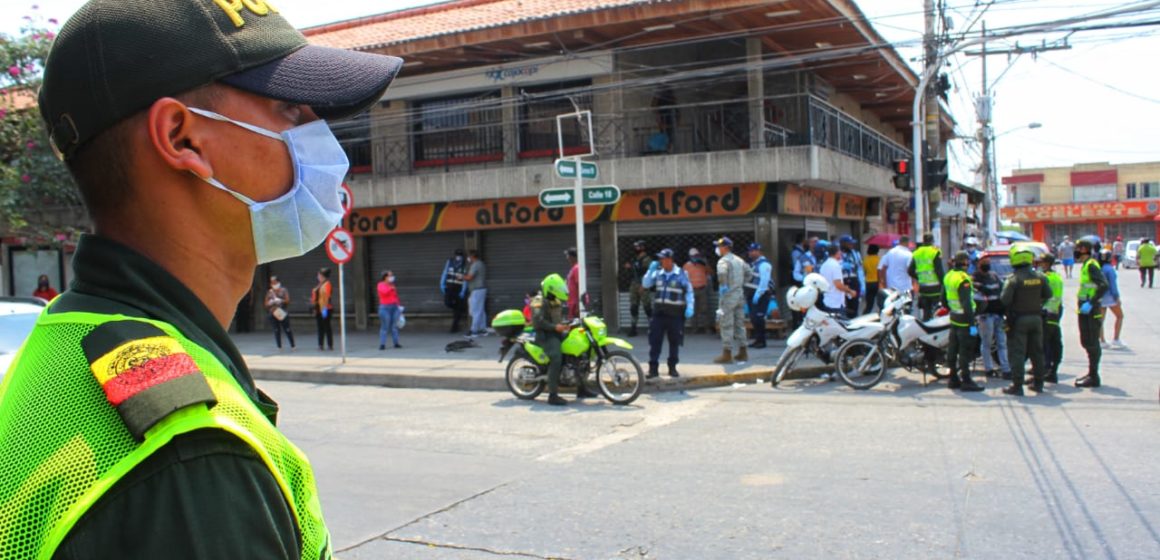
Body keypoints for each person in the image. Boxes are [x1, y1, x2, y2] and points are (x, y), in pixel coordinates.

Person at [0, 1, 402, 555]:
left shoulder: (66, 338)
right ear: (182, 138)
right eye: (290, 109)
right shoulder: (192, 457)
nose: (323, 139)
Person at [531, 273, 594, 405]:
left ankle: (581, 389)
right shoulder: (538, 301)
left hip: (556, 332)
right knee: (556, 357)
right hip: (545, 335)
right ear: (551, 289)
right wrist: (555, 327)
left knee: (579, 353)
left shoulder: (555, 300)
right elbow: (538, 322)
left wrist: (570, 323)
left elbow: (558, 319)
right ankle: (552, 395)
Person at [1000, 246, 1052, 396]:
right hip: (1036, 319)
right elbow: (1048, 294)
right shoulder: (1040, 277)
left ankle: (1017, 386)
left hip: (1018, 320)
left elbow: (1004, 300)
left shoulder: (1013, 280)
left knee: (1018, 352)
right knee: (1037, 351)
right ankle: (1038, 383)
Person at [642, 249, 694, 378]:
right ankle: (653, 369)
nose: (661, 261)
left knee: (674, 342)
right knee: (654, 341)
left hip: (675, 315)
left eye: (663, 259)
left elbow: (689, 292)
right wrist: (650, 270)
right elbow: (646, 284)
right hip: (659, 314)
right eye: (660, 259)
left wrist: (690, 307)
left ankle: (672, 367)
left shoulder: (682, 274)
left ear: (670, 260)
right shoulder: (658, 273)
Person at [943, 252, 984, 392]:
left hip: (954, 318)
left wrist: (953, 310)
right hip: (965, 321)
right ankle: (966, 380)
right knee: (964, 351)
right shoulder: (963, 279)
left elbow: (943, 299)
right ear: (966, 262)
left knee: (953, 350)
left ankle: (953, 378)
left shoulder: (949, 276)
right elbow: (967, 303)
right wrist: (972, 324)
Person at [1074, 236, 1109, 388]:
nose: (1075, 252)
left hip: (1091, 309)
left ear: (1084, 249)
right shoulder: (1086, 264)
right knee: (1086, 341)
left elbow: (1103, 285)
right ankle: (1091, 373)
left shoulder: (1091, 265)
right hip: (1085, 309)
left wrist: (1091, 302)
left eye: (1078, 248)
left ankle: (1094, 376)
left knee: (1092, 342)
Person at [712, 237, 750, 364]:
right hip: (739, 295)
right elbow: (749, 273)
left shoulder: (723, 261)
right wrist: (739, 284)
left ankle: (727, 353)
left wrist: (723, 285)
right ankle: (743, 352)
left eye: (719, 246)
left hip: (728, 297)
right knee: (740, 324)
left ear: (725, 247)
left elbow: (722, 274)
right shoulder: (740, 260)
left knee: (726, 324)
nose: (717, 249)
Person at [972, 257, 1010, 380]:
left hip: (998, 314)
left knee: (1002, 343)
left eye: (988, 263)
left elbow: (1002, 289)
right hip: (985, 316)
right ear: (978, 264)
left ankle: (1005, 369)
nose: (986, 264)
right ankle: (988, 369)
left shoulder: (994, 276)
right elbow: (983, 292)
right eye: (984, 262)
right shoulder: (975, 278)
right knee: (986, 343)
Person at [1038, 255, 1064, 383]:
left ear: (1046, 263)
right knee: (1055, 343)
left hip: (1045, 312)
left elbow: (1042, 296)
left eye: (1041, 262)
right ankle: (1052, 372)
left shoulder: (1045, 277)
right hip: (1056, 311)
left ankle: (1043, 372)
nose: (1039, 264)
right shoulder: (1056, 276)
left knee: (1043, 345)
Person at [744, 242, 775, 348]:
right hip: (752, 293)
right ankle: (758, 339)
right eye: (750, 251)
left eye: (753, 251)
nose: (750, 253)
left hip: (761, 294)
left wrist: (758, 294)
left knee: (758, 318)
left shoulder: (764, 264)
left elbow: (764, 281)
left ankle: (762, 341)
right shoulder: (754, 264)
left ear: (758, 251)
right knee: (753, 318)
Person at [909, 233, 945, 320]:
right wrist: (944, 284)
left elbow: (910, 271)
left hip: (923, 288)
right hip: (935, 289)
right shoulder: (935, 251)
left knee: (926, 314)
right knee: (937, 314)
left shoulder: (916, 252)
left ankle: (925, 331)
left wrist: (920, 278)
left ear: (923, 241)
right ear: (932, 241)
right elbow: (939, 270)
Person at [624, 240, 654, 336]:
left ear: (642, 247)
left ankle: (653, 328)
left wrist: (644, 285)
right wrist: (628, 268)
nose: (635, 249)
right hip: (634, 284)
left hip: (643, 284)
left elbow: (647, 273)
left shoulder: (647, 259)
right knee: (633, 307)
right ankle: (633, 328)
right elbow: (632, 271)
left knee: (647, 307)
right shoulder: (635, 259)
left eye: (637, 247)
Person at [1097, 250, 1125, 349]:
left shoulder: (1097, 268)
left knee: (1100, 319)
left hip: (1099, 296)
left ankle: (1102, 340)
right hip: (1110, 296)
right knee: (1120, 316)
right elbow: (1113, 284)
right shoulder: (1109, 269)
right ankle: (1116, 339)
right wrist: (1116, 297)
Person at [819, 244, 856, 317]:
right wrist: (850, 291)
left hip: (827, 301)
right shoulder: (835, 265)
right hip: (836, 303)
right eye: (840, 251)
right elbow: (838, 285)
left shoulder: (824, 265)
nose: (841, 253)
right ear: (837, 252)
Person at [791, 236, 819, 328]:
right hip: (808, 289)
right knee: (807, 310)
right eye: (813, 242)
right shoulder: (803, 257)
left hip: (821, 289)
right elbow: (796, 273)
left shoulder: (824, 256)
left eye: (817, 242)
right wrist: (805, 279)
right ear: (809, 244)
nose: (815, 244)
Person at [683, 248, 712, 334]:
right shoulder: (686, 266)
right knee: (693, 310)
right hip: (691, 291)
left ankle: (707, 328)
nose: (695, 257)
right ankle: (694, 329)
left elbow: (710, 273)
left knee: (705, 309)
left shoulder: (702, 265)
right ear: (690, 257)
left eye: (696, 256)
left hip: (702, 289)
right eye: (693, 256)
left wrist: (706, 264)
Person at [878, 235, 913, 306]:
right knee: (906, 308)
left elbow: (882, 268)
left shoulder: (890, 252)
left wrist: (883, 282)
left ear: (900, 242)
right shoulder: (909, 254)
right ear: (907, 243)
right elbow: (911, 270)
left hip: (891, 288)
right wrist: (914, 283)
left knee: (893, 308)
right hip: (905, 288)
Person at [440, 249, 469, 333]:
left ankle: (454, 328)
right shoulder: (450, 261)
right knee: (447, 303)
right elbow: (445, 273)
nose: (458, 257)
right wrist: (442, 284)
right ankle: (460, 308)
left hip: (458, 288)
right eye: (457, 255)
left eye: (460, 255)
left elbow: (465, 279)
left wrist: (463, 290)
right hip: (449, 287)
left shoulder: (465, 264)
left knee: (457, 311)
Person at [264, 275, 295, 351]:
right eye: (272, 283)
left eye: (275, 282)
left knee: (287, 329)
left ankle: (292, 345)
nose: (273, 284)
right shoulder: (270, 292)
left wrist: (281, 300)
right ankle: (279, 346)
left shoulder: (283, 290)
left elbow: (288, 300)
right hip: (273, 313)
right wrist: (270, 302)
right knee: (276, 330)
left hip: (282, 312)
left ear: (278, 282)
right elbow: (265, 303)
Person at [463, 250, 489, 336]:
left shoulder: (475, 265)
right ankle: (482, 329)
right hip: (481, 289)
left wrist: (461, 277)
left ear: (472, 256)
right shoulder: (481, 263)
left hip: (477, 290)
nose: (468, 258)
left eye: (469, 256)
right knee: (480, 310)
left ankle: (474, 330)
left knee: (475, 311)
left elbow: (470, 277)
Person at [838, 235, 865, 317]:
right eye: (849, 243)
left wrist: (862, 284)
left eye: (852, 243)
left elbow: (860, 269)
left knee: (854, 305)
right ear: (843, 244)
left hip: (853, 281)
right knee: (842, 305)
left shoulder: (856, 254)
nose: (851, 245)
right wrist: (841, 265)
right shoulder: (838, 253)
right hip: (841, 281)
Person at [377, 270, 402, 350]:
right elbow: (384, 293)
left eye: (392, 275)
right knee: (385, 326)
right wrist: (390, 288)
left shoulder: (392, 285)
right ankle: (382, 344)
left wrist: (399, 306)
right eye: (390, 276)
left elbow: (395, 296)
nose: (392, 277)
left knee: (394, 326)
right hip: (384, 308)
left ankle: (396, 343)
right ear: (385, 277)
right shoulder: (380, 285)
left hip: (394, 307)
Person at [862, 244, 880, 314]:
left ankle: (864, 317)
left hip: (868, 283)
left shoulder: (865, 260)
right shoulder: (879, 259)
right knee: (880, 303)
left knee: (869, 305)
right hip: (877, 282)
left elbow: (864, 272)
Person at [565, 247, 582, 319]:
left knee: (575, 326)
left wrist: (579, 305)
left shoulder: (577, 268)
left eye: (568, 256)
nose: (567, 258)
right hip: (572, 302)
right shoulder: (574, 268)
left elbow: (580, 286)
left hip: (575, 304)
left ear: (572, 257)